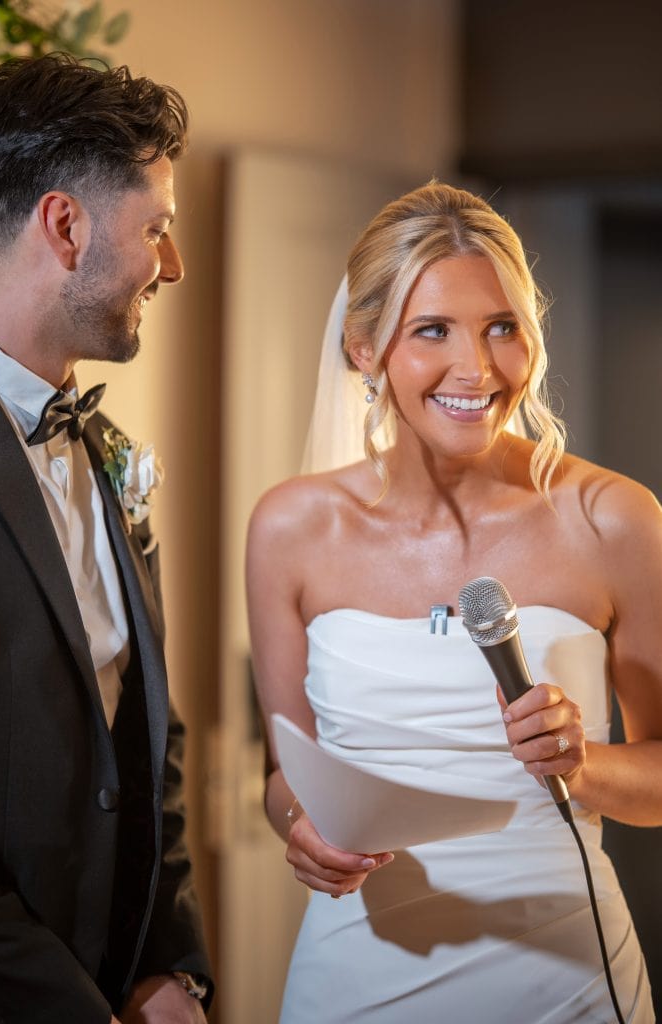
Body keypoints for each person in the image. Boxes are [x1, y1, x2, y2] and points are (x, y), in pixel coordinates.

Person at [246, 180, 662, 1022]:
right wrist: (303, 828)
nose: (476, 369)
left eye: (501, 328)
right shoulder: (290, 527)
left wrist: (581, 762)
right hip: (356, 977)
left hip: (564, 973)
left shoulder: (613, 517)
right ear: (363, 348)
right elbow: (283, 775)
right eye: (431, 330)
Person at [0, 54, 213, 1023]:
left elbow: (150, 738)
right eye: (155, 227)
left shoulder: (106, 449)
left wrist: (174, 968)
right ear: (65, 227)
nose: (174, 264)